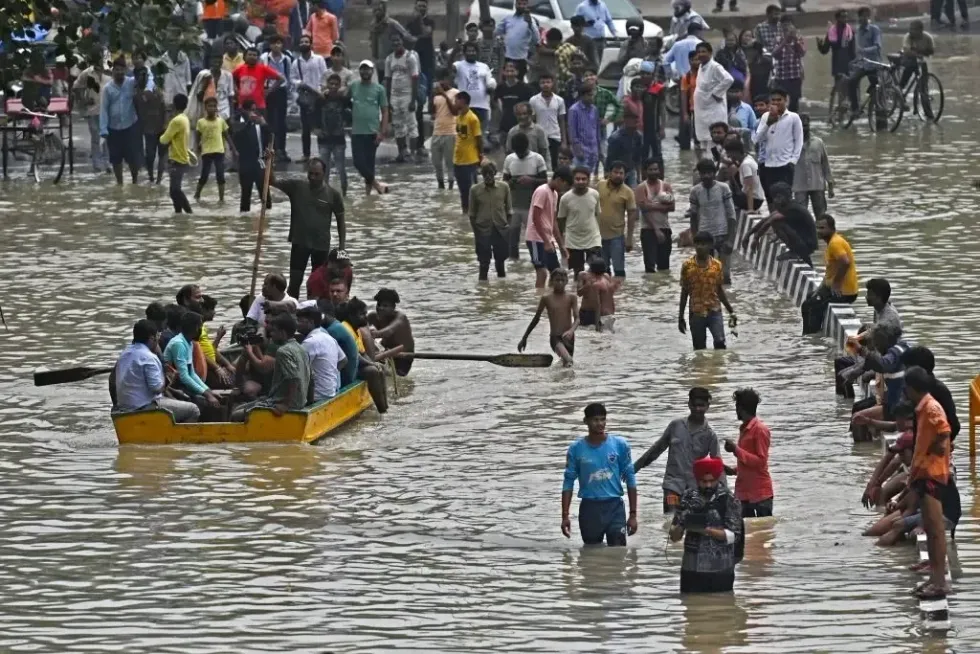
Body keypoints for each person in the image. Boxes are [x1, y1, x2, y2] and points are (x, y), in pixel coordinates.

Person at [904, 366, 954, 599]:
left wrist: (937, 450)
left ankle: (940, 583)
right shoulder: (923, 408)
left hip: (932, 475)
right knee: (931, 529)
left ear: (912, 388)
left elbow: (944, 432)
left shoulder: (931, 407)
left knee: (935, 531)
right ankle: (934, 579)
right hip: (924, 474)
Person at [633, 387, 722, 512]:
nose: (697, 409)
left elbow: (717, 466)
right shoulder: (676, 425)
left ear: (707, 406)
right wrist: (635, 467)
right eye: (695, 405)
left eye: (701, 405)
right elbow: (657, 449)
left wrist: (723, 494)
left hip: (695, 489)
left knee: (691, 523)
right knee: (671, 520)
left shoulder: (710, 435)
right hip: (673, 486)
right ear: (689, 404)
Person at [561, 403, 638, 545]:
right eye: (595, 420)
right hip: (590, 509)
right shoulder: (576, 449)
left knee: (618, 554)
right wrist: (565, 516)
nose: (600, 423)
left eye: (603, 419)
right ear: (586, 421)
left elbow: (630, 478)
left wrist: (633, 514)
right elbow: (568, 481)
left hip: (615, 507)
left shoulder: (620, 445)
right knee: (591, 555)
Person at [269, 159, 346, 299]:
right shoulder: (297, 186)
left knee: (317, 284)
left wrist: (342, 248)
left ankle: (313, 314)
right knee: (294, 283)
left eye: (317, 174)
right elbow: (271, 181)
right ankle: (293, 311)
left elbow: (341, 222)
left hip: (321, 246)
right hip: (300, 243)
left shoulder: (333, 194)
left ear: (324, 174)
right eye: (310, 173)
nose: (312, 177)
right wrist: (270, 161)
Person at [668, 456, 742, 593]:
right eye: (703, 481)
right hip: (691, 569)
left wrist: (707, 531)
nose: (708, 485)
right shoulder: (687, 498)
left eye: (711, 481)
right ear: (697, 479)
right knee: (691, 610)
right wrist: (682, 526)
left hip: (720, 570)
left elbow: (734, 536)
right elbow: (674, 537)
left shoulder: (728, 499)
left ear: (718, 478)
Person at [113, 319, 201, 423]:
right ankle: (177, 438)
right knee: (193, 410)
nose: (158, 340)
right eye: (157, 337)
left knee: (176, 401)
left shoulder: (124, 354)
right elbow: (156, 388)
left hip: (124, 406)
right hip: (143, 407)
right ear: (151, 338)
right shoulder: (149, 357)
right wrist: (169, 379)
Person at [232, 313, 312, 421]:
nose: (271, 334)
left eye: (274, 331)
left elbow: (294, 378)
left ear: (282, 333)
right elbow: (311, 377)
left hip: (283, 403)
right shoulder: (300, 348)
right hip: (298, 401)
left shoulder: (283, 351)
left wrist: (285, 405)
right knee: (241, 407)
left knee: (235, 415)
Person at [801, 214, 859, 334]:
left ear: (832, 229)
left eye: (822, 228)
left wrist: (836, 284)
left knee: (811, 306)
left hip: (844, 292)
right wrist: (820, 289)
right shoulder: (831, 243)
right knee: (809, 298)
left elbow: (845, 262)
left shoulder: (835, 243)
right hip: (834, 288)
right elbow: (830, 272)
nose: (818, 231)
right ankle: (809, 333)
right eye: (817, 228)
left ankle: (812, 336)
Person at [679, 230, 737, 350]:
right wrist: (680, 317)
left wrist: (731, 311)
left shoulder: (717, 265)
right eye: (698, 244)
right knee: (699, 349)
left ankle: (717, 366)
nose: (700, 247)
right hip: (696, 312)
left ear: (710, 245)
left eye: (703, 244)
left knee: (720, 342)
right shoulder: (687, 266)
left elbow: (719, 290)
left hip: (714, 310)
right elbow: (684, 292)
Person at [724, 388, 773, 517]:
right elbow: (748, 462)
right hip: (743, 492)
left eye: (736, 406)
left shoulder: (760, 430)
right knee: (746, 532)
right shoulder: (745, 429)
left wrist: (736, 449)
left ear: (740, 408)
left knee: (762, 532)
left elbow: (760, 462)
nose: (735, 410)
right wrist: (733, 470)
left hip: (760, 494)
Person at [687, 159, 736, 283]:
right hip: (704, 237)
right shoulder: (695, 191)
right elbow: (693, 216)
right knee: (706, 274)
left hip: (723, 234)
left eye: (709, 173)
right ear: (699, 174)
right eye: (703, 173)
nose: (706, 176)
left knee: (725, 275)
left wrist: (730, 240)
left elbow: (731, 215)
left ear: (714, 173)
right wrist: (695, 238)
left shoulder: (723, 188)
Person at [502, 133, 549, 261]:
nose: (520, 154)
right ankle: (514, 262)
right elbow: (504, 183)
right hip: (514, 205)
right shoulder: (509, 159)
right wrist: (513, 182)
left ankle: (537, 260)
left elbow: (545, 181)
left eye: (521, 152)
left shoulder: (537, 159)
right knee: (512, 237)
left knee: (534, 237)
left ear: (527, 147)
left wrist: (531, 180)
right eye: (517, 152)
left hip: (532, 206)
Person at [517, 268, 578, 366]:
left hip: (569, 338)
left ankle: (561, 380)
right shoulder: (546, 298)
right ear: (551, 281)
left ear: (567, 281)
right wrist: (524, 338)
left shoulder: (572, 297)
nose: (560, 283)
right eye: (557, 280)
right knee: (569, 360)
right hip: (555, 338)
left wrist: (571, 331)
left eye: (562, 280)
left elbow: (577, 319)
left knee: (566, 365)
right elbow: (536, 319)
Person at [163, 311, 222, 410]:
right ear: (195, 328)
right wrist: (207, 395)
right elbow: (184, 376)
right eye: (200, 327)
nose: (201, 330)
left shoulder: (189, 342)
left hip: (182, 384)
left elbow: (191, 373)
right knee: (205, 404)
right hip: (173, 387)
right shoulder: (179, 344)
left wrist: (208, 391)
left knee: (216, 400)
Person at [753, 88, 803, 204]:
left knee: (785, 198)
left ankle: (787, 221)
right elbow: (756, 140)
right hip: (768, 165)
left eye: (779, 100)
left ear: (786, 101)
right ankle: (773, 220)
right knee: (771, 198)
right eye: (773, 100)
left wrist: (793, 161)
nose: (775, 103)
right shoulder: (765, 117)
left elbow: (798, 141)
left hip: (785, 165)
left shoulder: (793, 117)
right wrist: (768, 123)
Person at [526, 167, 573, 289]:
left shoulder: (555, 194)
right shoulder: (542, 191)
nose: (565, 190)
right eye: (565, 186)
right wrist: (546, 242)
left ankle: (554, 299)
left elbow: (553, 221)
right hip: (535, 238)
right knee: (541, 272)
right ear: (559, 180)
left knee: (556, 272)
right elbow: (535, 218)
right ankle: (539, 299)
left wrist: (561, 245)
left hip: (547, 238)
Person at [350, 60, 391, 196]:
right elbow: (343, 97)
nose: (365, 72)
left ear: (372, 71)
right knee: (358, 162)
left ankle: (368, 195)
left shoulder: (379, 89)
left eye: (368, 69)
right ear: (359, 71)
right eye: (362, 69)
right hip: (356, 131)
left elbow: (385, 111)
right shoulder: (353, 86)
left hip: (372, 131)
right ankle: (377, 186)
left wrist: (382, 131)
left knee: (369, 164)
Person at [100, 57, 142, 185]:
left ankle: (135, 181)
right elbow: (104, 109)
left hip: (130, 126)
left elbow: (145, 81)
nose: (119, 72)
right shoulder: (108, 88)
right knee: (116, 159)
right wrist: (103, 129)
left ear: (125, 70)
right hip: (113, 128)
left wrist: (140, 66)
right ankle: (119, 184)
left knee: (132, 158)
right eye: (117, 70)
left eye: (121, 70)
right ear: (113, 71)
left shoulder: (132, 83)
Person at [468, 161, 512, 281]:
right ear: (481, 174)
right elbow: (471, 214)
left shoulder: (504, 187)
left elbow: (509, 211)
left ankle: (502, 288)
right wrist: (477, 233)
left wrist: (507, 228)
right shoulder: (475, 190)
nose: (488, 176)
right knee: (483, 264)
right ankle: (482, 290)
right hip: (482, 230)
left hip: (501, 229)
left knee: (501, 263)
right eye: (485, 174)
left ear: (495, 174)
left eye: (490, 173)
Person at [296, 303, 345, 402]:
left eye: (300, 321)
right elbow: (343, 360)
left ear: (311, 322)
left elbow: (296, 371)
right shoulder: (329, 338)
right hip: (330, 392)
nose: (297, 324)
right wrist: (330, 376)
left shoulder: (309, 343)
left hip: (316, 396)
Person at [558, 167, 602, 277]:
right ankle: (578, 293)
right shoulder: (565, 198)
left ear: (588, 180)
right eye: (577, 179)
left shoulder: (595, 194)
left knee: (596, 270)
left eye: (584, 179)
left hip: (592, 238)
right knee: (578, 273)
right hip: (573, 240)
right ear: (573, 180)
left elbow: (596, 214)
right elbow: (561, 220)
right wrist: (562, 241)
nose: (581, 182)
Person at [384, 33, 421, 163]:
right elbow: (387, 80)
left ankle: (413, 153)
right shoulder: (389, 59)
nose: (396, 44)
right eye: (393, 41)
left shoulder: (410, 57)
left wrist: (413, 100)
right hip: (394, 97)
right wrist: (387, 101)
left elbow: (415, 79)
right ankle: (401, 153)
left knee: (411, 125)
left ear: (402, 41)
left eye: (398, 41)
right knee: (398, 125)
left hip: (407, 96)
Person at [596, 162, 637, 278]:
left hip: (617, 237)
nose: (618, 175)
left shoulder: (628, 192)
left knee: (619, 271)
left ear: (625, 175)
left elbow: (632, 215)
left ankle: (621, 294)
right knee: (602, 271)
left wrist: (629, 239)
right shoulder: (600, 186)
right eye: (615, 172)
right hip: (598, 236)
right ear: (609, 173)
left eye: (621, 173)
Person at [291, 33, 328, 162]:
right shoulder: (296, 62)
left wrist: (321, 91)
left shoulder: (319, 59)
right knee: (305, 128)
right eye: (302, 42)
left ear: (311, 44)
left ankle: (323, 154)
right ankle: (306, 155)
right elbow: (293, 79)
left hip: (318, 96)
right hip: (305, 98)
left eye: (306, 42)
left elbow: (325, 75)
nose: (304, 44)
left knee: (320, 126)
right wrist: (300, 84)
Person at [232, 100, 273, 214]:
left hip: (259, 163)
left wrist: (264, 124)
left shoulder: (260, 125)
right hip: (245, 165)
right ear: (243, 111)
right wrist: (248, 123)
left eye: (254, 110)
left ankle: (267, 217)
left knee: (265, 195)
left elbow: (270, 138)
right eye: (250, 110)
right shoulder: (238, 123)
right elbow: (237, 137)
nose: (252, 113)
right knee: (246, 196)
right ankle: (244, 222)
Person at [634, 159, 675, 273]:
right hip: (648, 230)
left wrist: (651, 205)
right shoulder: (641, 187)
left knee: (664, 267)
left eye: (656, 169)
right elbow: (644, 210)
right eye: (651, 170)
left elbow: (672, 207)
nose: (654, 172)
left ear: (659, 170)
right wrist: (656, 229)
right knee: (650, 268)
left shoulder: (666, 186)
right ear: (645, 171)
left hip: (665, 228)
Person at [692, 42, 733, 154]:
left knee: (714, 143)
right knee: (704, 145)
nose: (701, 54)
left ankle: (717, 166)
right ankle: (707, 167)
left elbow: (728, 79)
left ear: (710, 53)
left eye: (704, 51)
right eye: (699, 52)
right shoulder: (701, 66)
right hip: (702, 111)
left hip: (714, 111)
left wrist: (716, 93)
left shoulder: (715, 66)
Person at [790, 113, 834, 217]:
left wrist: (830, 185)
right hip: (799, 185)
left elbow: (825, 164)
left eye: (806, 125)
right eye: (801, 125)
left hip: (817, 185)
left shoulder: (818, 142)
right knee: (800, 215)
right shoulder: (791, 144)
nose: (804, 128)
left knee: (821, 215)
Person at [194, 97, 235, 203]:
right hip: (206, 152)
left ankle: (221, 199)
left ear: (217, 108)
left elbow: (227, 135)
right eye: (209, 106)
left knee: (220, 175)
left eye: (214, 106)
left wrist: (233, 149)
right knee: (204, 176)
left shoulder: (220, 121)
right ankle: (197, 194)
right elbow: (197, 136)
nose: (212, 108)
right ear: (205, 108)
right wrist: (197, 148)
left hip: (219, 151)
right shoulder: (201, 122)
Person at [158, 94, 193, 215]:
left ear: (173, 105)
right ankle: (178, 214)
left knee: (175, 190)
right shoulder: (185, 118)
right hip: (181, 157)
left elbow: (164, 139)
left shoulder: (176, 121)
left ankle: (189, 212)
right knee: (174, 191)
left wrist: (166, 125)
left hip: (176, 159)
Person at [368, 289, 415, 376]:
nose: (380, 308)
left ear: (393, 307)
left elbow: (389, 331)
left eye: (385, 306)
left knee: (396, 376)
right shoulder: (372, 316)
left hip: (403, 356)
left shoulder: (401, 317)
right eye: (379, 305)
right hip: (385, 352)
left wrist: (374, 334)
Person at [75, 55, 109, 173]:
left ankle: (107, 163)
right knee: (95, 138)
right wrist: (83, 101)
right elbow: (76, 86)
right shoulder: (87, 73)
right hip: (93, 110)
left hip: (107, 110)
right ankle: (97, 164)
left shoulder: (109, 70)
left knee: (107, 138)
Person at [848, 7, 883, 118]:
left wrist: (864, 51)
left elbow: (877, 47)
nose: (864, 18)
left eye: (867, 16)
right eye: (862, 16)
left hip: (874, 63)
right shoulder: (858, 31)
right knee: (852, 81)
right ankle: (855, 109)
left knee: (877, 87)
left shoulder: (874, 29)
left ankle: (878, 109)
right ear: (859, 17)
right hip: (863, 64)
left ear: (869, 17)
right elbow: (857, 49)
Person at [134, 68, 167, 184]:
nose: (143, 78)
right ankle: (152, 177)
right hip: (148, 128)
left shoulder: (157, 91)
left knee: (160, 155)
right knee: (151, 155)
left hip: (159, 126)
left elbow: (164, 108)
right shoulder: (137, 94)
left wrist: (165, 124)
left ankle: (157, 179)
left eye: (145, 76)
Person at [370, 1, 416, 81]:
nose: (377, 11)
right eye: (375, 9)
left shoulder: (392, 24)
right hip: (380, 63)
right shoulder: (373, 25)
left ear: (384, 10)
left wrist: (402, 54)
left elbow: (408, 38)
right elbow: (372, 42)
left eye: (379, 9)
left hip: (394, 63)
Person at [529, 74, 567, 171]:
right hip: (540, 136)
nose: (545, 85)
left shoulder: (559, 100)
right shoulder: (533, 100)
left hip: (555, 136)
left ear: (552, 83)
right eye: (543, 82)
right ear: (539, 84)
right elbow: (532, 120)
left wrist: (564, 141)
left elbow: (562, 121)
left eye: (548, 82)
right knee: (540, 164)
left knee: (555, 164)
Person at [494, 0, 541, 79]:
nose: (521, 6)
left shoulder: (531, 21)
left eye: (524, 4)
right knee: (506, 82)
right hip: (507, 57)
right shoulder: (508, 18)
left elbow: (537, 40)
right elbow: (496, 32)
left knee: (519, 83)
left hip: (521, 59)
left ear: (527, 5)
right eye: (519, 4)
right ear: (515, 4)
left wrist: (530, 24)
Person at [454, 91, 484, 213]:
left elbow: (479, 138)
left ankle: (473, 214)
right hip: (458, 160)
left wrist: (481, 156)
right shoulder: (459, 117)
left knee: (471, 191)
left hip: (470, 160)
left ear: (463, 101)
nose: (454, 103)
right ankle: (465, 213)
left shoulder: (472, 118)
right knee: (462, 191)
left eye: (456, 100)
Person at [233, 46, 285, 116]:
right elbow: (230, 77)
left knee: (261, 125)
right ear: (245, 57)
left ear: (258, 57)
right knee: (245, 126)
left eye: (254, 55)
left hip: (259, 105)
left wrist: (269, 90)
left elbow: (281, 79)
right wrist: (235, 89)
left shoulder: (263, 68)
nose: (252, 57)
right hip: (243, 105)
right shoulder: (240, 68)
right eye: (250, 55)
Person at [430, 69, 459, 190]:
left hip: (450, 133)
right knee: (436, 163)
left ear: (449, 79)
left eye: (444, 79)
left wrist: (444, 95)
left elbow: (454, 111)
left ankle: (451, 186)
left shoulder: (456, 93)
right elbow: (432, 113)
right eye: (439, 80)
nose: (442, 82)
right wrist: (433, 95)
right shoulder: (436, 94)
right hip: (437, 132)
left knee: (450, 163)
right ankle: (440, 185)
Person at [494, 61, 533, 146]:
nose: (510, 73)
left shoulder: (525, 88)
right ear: (504, 72)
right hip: (505, 124)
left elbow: (530, 106)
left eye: (512, 70)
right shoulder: (500, 87)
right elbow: (496, 104)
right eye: (507, 71)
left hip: (521, 124)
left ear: (517, 72)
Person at [771, 18, 806, 112]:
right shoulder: (777, 39)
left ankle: (792, 121)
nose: (787, 27)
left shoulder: (798, 38)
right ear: (781, 27)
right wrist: (785, 41)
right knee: (779, 101)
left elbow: (802, 53)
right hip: (781, 76)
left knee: (794, 101)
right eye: (784, 25)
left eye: (789, 25)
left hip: (795, 76)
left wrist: (795, 41)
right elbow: (774, 53)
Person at [723, 139, 764, 215]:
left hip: (754, 200)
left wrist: (750, 209)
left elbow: (749, 187)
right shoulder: (748, 158)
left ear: (736, 152)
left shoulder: (746, 165)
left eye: (729, 153)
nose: (728, 156)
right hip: (757, 198)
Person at [567, 82, 601, 172]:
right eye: (590, 95)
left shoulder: (594, 109)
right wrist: (578, 151)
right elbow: (572, 133)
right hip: (581, 152)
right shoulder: (574, 110)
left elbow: (597, 130)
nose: (592, 97)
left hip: (593, 151)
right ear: (582, 96)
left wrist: (598, 149)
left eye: (593, 95)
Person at [899, 21, 935, 106]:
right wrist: (918, 54)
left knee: (924, 81)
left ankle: (924, 92)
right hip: (909, 60)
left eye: (914, 29)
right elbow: (907, 51)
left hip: (921, 60)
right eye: (910, 29)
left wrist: (919, 53)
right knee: (907, 72)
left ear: (920, 30)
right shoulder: (908, 37)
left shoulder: (927, 37)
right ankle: (900, 91)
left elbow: (931, 51)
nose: (911, 31)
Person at [816, 9, 857, 84]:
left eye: (846, 17)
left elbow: (853, 50)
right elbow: (825, 50)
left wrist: (855, 65)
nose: (845, 19)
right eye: (843, 17)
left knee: (852, 91)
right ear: (837, 18)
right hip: (838, 66)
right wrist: (819, 45)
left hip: (849, 66)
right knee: (841, 91)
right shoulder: (831, 32)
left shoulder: (851, 31)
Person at [605, 111, 644, 187]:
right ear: (626, 121)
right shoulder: (615, 138)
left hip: (631, 170)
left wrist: (639, 177)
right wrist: (607, 175)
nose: (636, 124)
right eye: (634, 121)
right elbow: (609, 159)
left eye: (637, 121)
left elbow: (638, 158)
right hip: (617, 171)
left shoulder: (638, 136)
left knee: (632, 193)